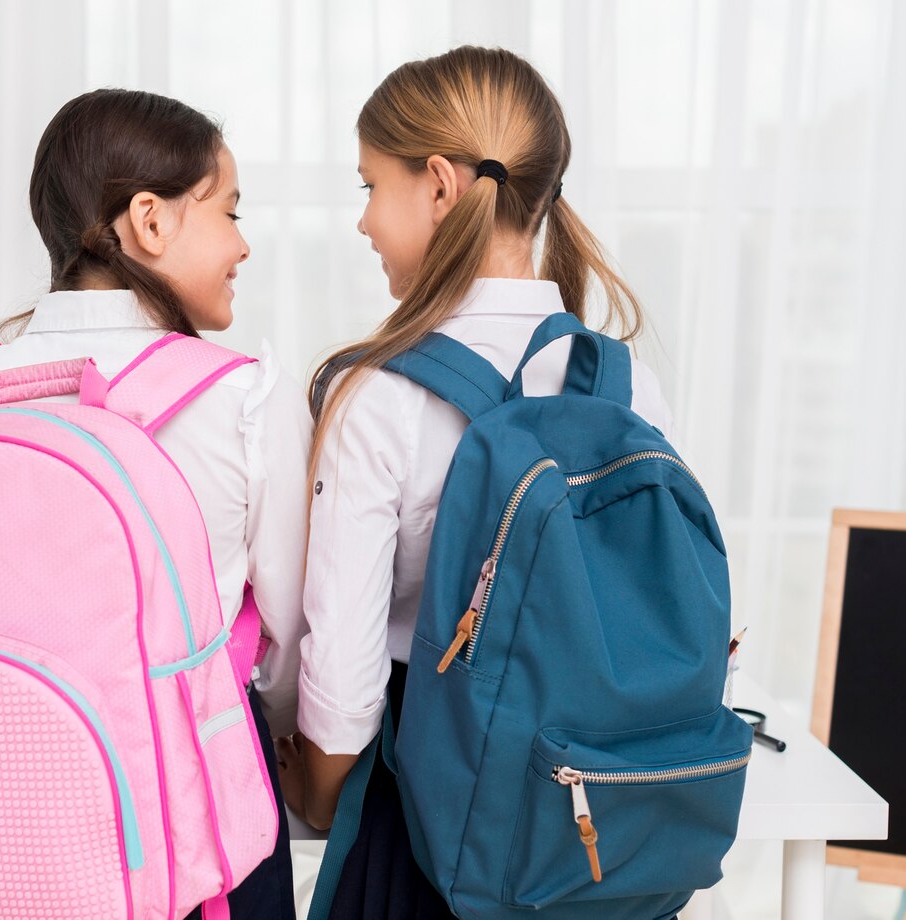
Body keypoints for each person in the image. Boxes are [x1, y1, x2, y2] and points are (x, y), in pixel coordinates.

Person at [0, 88, 310, 919]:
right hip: (186, 829)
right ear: (149, 221)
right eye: (229, 211)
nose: (242, 244)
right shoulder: (241, 400)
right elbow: (292, 630)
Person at [279, 46, 674, 919]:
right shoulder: (628, 385)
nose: (363, 221)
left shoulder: (379, 396)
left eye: (369, 187)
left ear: (438, 185)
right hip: (604, 833)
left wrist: (316, 795)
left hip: (432, 827)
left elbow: (343, 689)